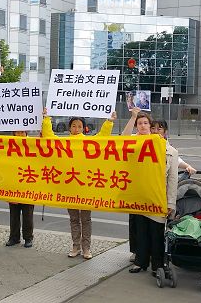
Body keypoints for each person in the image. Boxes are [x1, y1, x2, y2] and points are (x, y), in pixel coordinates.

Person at [42, 108, 117, 259]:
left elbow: (102, 137)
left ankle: (86, 248)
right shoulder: (63, 142)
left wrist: (109, 121)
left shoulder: (88, 141)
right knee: (74, 219)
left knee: (86, 219)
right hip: (70, 186)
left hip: (85, 187)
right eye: (74, 126)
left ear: (84, 128)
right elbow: (49, 137)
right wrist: (46, 119)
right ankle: (75, 246)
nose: (76, 129)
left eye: (79, 126)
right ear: (69, 127)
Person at [124, 108, 178, 276]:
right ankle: (141, 262)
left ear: (165, 132)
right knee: (140, 232)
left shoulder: (171, 152)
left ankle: (157, 265)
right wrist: (134, 117)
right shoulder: (138, 145)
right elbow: (123, 139)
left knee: (156, 234)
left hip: (158, 198)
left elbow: (172, 180)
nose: (155, 131)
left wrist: (170, 203)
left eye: (159, 128)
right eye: (153, 128)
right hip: (140, 197)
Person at [6, 130, 35, 248]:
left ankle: (28, 237)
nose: (19, 135)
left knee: (28, 213)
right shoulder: (8, 143)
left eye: (21, 132)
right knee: (14, 213)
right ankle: (14, 237)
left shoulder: (34, 143)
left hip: (28, 182)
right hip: (13, 183)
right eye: (16, 132)